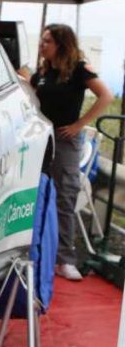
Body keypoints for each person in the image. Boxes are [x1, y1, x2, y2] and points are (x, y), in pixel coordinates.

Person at [30, 24, 113, 281]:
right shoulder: (41, 73)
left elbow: (106, 96)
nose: (42, 45)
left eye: (47, 41)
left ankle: (65, 259)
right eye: (42, 40)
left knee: (65, 198)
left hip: (65, 140)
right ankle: (36, 253)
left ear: (61, 45)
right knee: (36, 194)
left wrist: (79, 125)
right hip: (41, 139)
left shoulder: (78, 69)